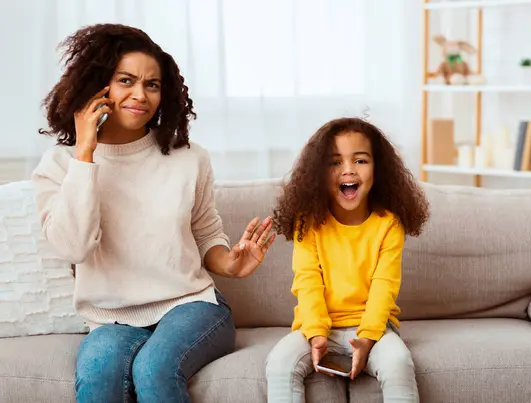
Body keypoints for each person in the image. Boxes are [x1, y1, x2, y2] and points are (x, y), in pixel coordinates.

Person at [31, 23, 276, 403]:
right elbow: (73, 247)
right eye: (125, 80)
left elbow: (206, 232)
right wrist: (85, 154)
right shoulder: (61, 164)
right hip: (110, 318)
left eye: (153, 85)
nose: (140, 95)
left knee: (154, 368)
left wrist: (230, 264)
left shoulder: (188, 158)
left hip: (191, 306)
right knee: (98, 380)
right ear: (99, 87)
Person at [266, 117, 430, 402]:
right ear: (318, 172)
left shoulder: (388, 224)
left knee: (398, 363)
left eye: (361, 161)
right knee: (280, 362)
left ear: (379, 170)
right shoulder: (308, 223)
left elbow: (384, 287)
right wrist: (316, 334)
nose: (348, 170)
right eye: (334, 162)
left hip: (374, 329)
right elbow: (307, 281)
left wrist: (366, 339)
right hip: (317, 327)